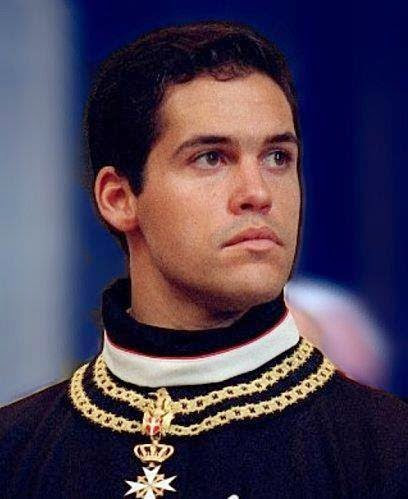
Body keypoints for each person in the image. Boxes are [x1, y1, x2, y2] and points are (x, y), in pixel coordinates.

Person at [0, 20, 407, 498]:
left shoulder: (388, 450)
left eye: (278, 157)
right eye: (211, 157)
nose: (258, 193)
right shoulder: (15, 453)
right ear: (118, 198)